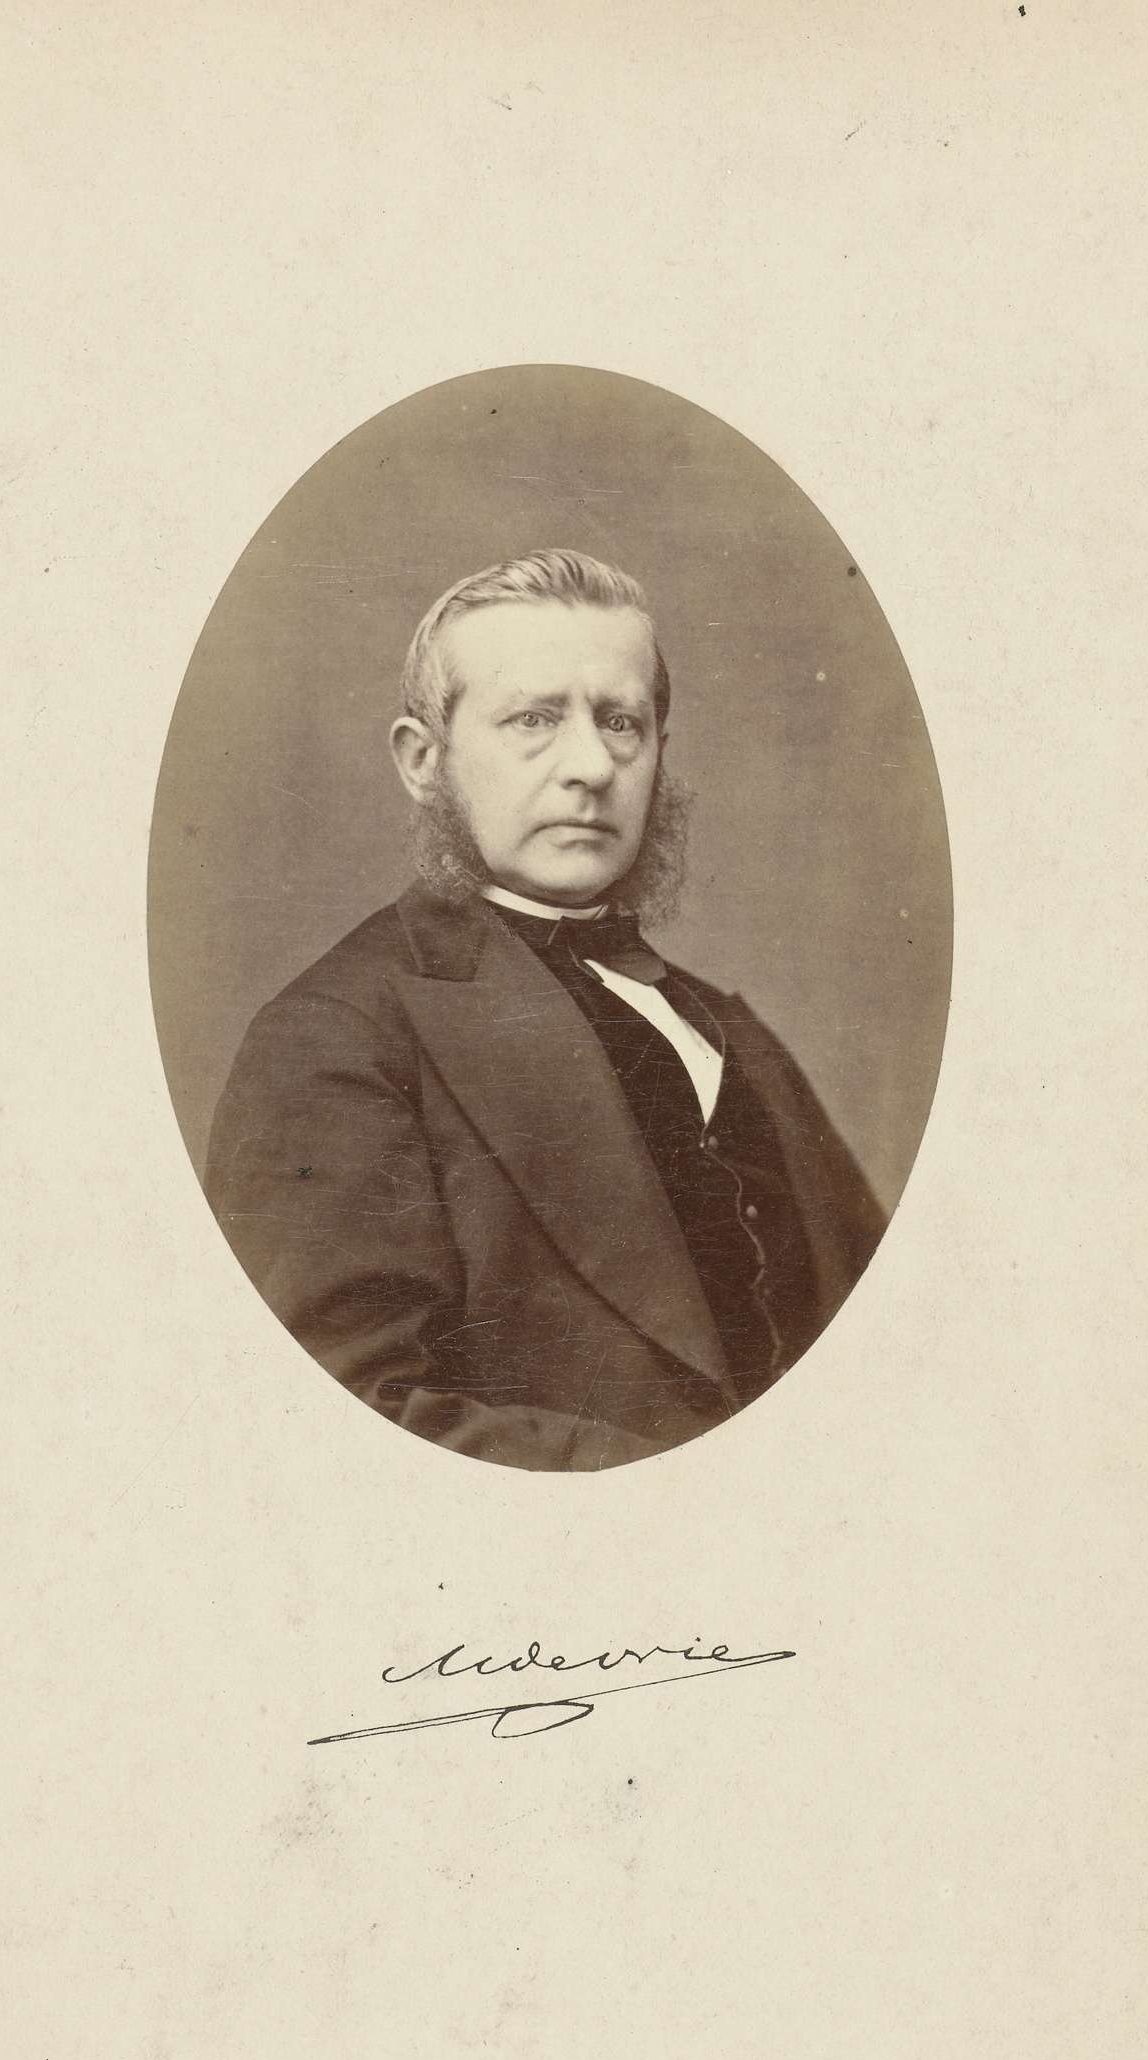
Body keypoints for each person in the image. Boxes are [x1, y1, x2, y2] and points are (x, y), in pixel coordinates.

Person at [204, 549, 886, 1471]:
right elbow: (334, 1421)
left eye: (621, 722)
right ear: (422, 760)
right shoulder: (335, 1037)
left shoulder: (730, 1031)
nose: (591, 766)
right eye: (533, 719)